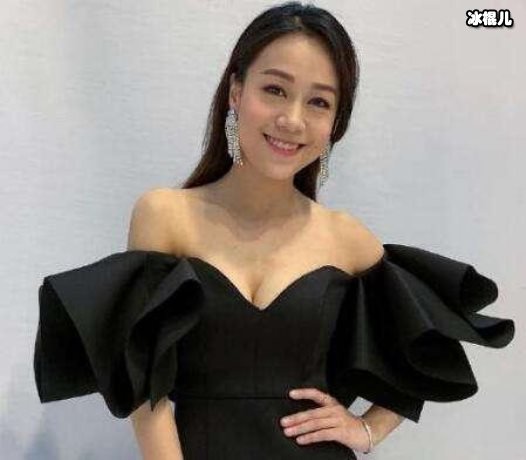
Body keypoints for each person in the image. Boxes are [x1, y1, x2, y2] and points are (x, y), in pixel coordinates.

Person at [33, 2, 515, 459]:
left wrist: (368, 430)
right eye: (275, 90)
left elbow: (430, 346)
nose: (292, 120)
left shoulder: (345, 238)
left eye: (319, 102)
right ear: (236, 92)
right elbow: (145, 391)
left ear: (335, 123)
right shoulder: (164, 215)